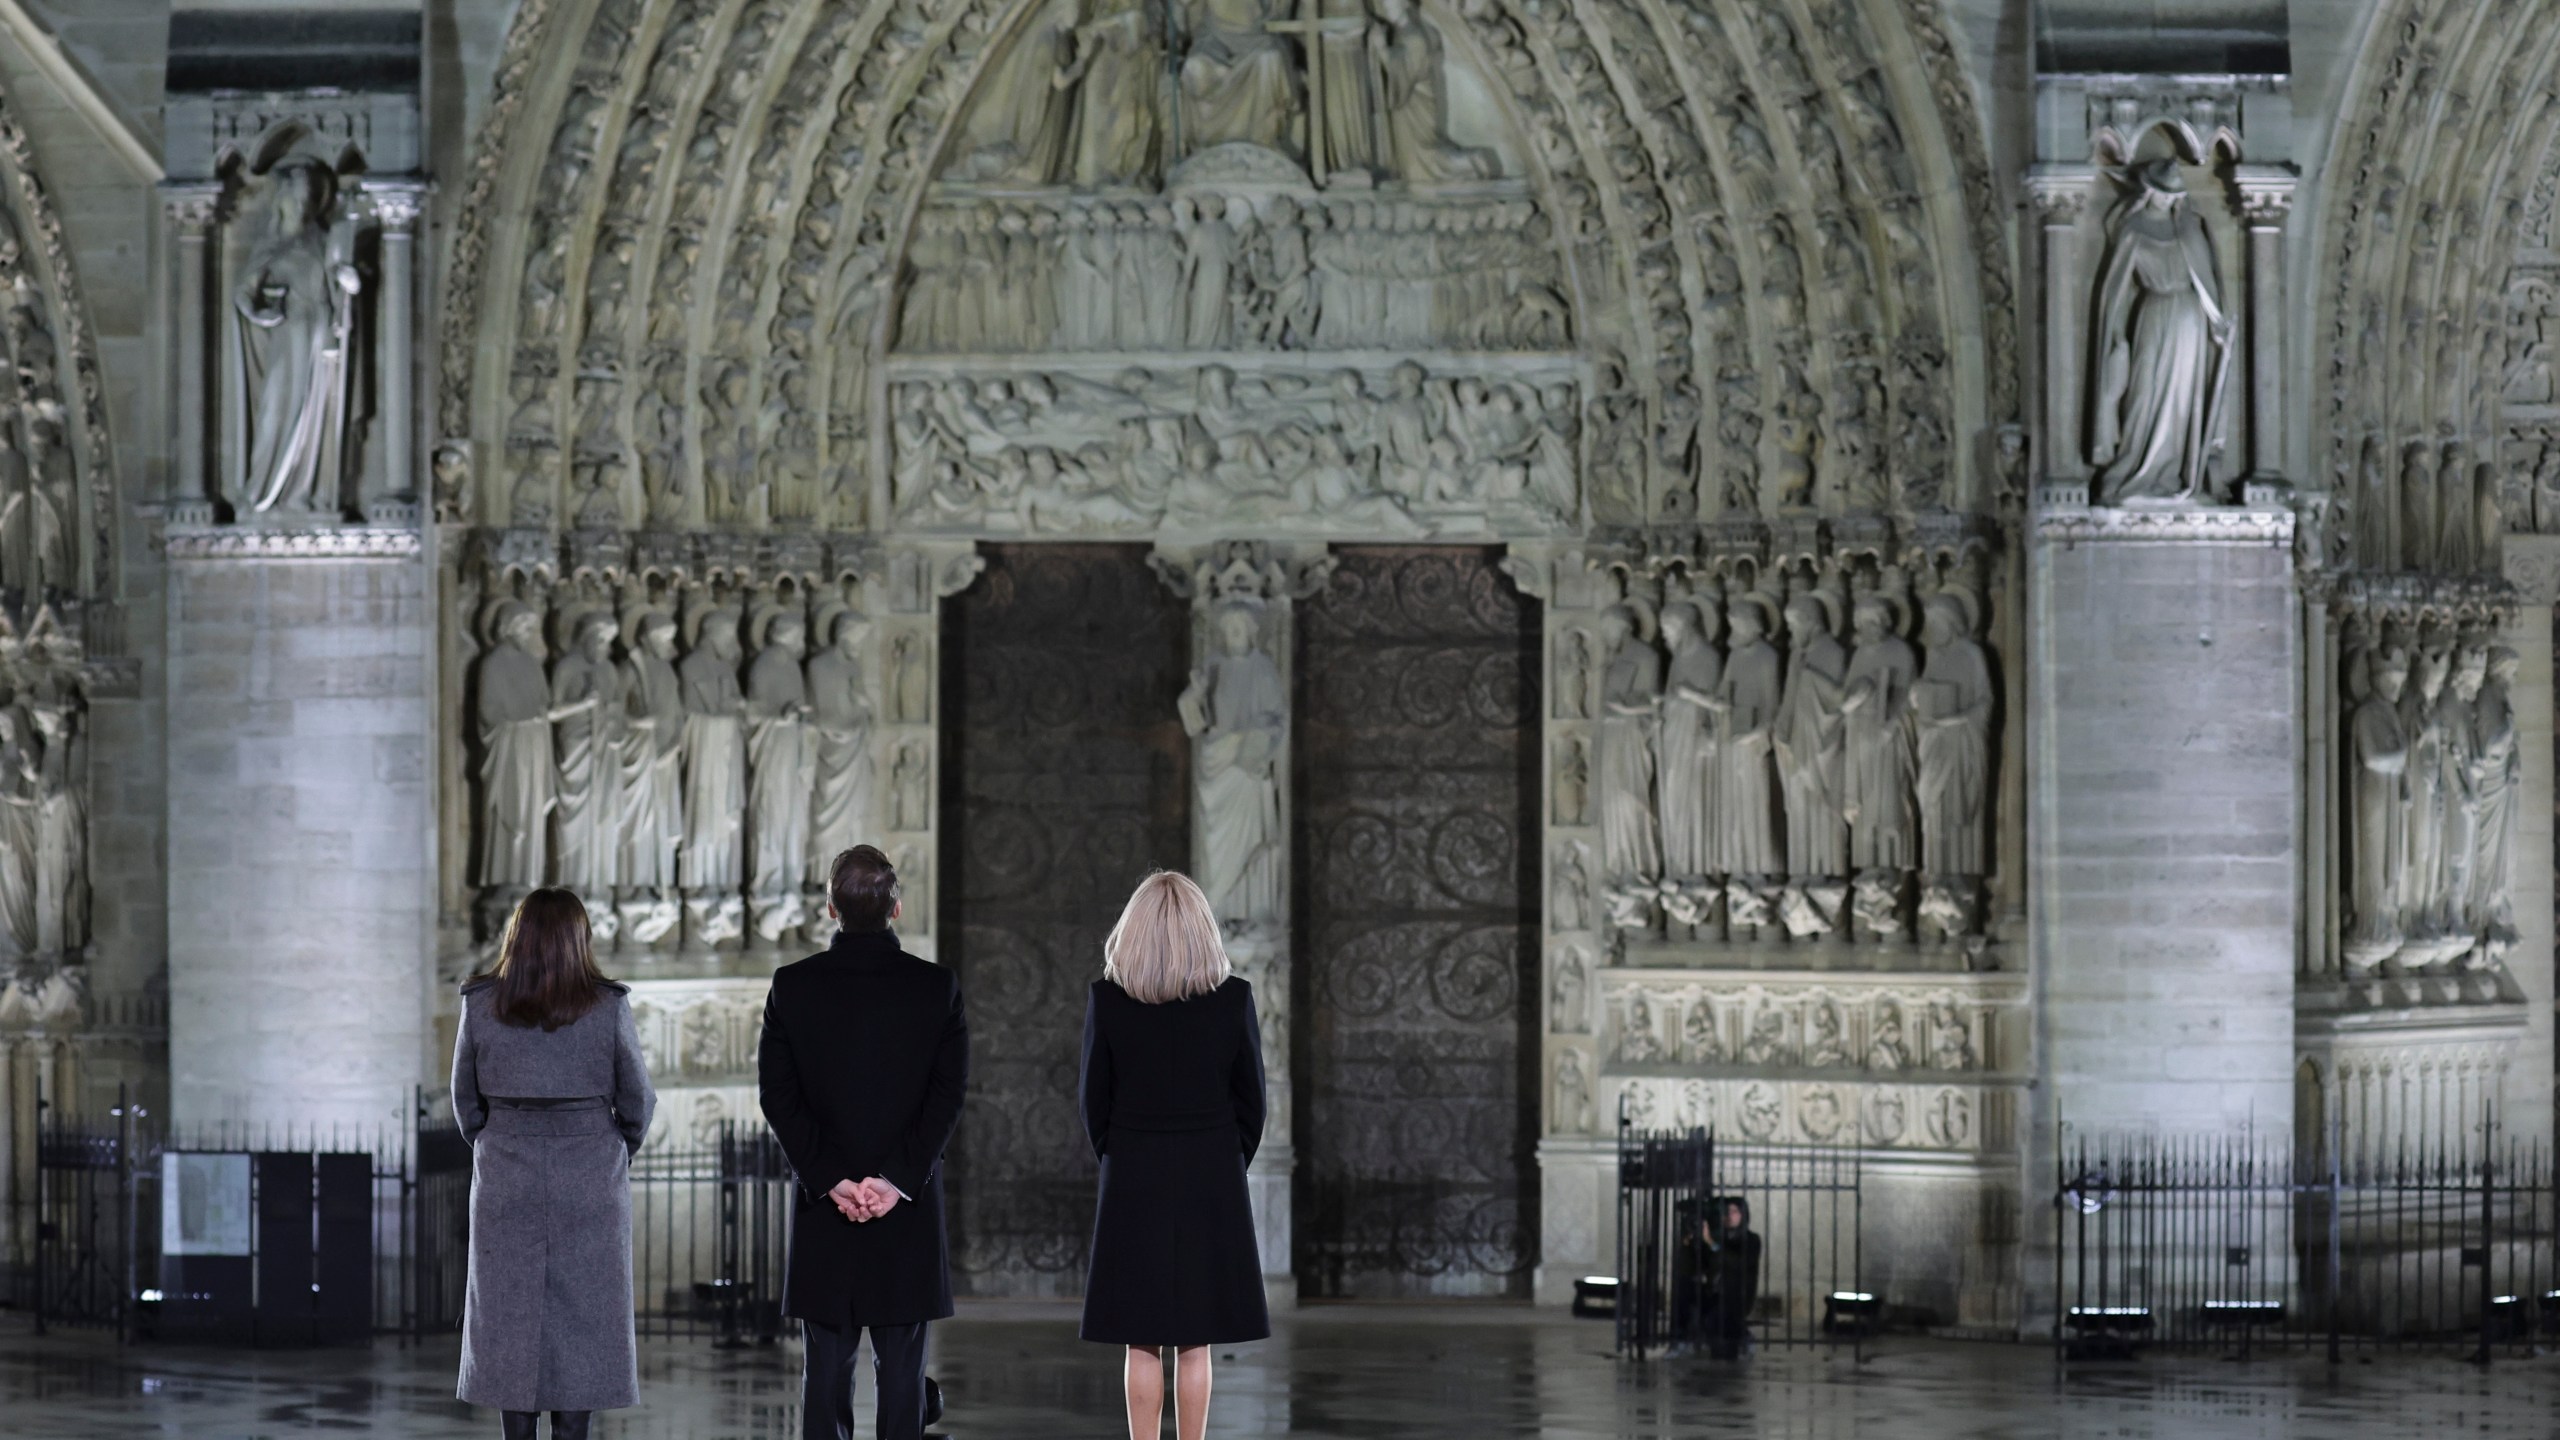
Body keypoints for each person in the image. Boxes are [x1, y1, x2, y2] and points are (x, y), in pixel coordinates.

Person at [758, 846, 969, 1440]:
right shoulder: (937, 988)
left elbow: (778, 1095)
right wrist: (895, 1180)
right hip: (905, 1207)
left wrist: (831, 1179)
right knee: (903, 1378)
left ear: (830, 909)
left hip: (828, 1207)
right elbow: (947, 1096)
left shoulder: (792, 987)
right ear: (897, 908)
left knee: (825, 1375)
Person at [451, 889, 657, 1440]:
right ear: (578, 940)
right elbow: (638, 1102)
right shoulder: (608, 1006)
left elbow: (465, 1104)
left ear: (514, 939)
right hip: (589, 1174)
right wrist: (606, 1151)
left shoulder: (479, 1003)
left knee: (508, 1321)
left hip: (506, 1173)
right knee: (583, 1324)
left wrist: (502, 1142)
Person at [1079, 871, 1270, 1440]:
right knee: (1195, 1338)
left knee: (1140, 1336)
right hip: (1211, 1172)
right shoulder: (1233, 999)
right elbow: (1252, 1103)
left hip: (1133, 1172)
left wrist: (1121, 1159)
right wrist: (1222, 1160)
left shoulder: (1107, 1001)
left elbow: (1094, 1103)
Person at [1704, 1197, 1761, 1360]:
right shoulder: (1718, 1237)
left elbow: (1738, 1263)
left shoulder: (1752, 1239)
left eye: (1734, 1212)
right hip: (1715, 1292)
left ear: (1744, 1215)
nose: (1729, 1216)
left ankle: (1742, 1338)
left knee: (1723, 1333)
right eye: (1726, 1212)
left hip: (1738, 1294)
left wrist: (1712, 1244)